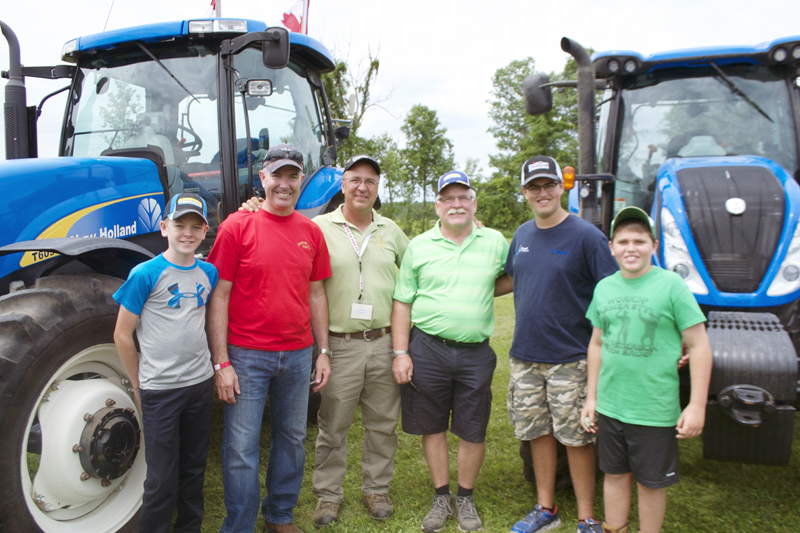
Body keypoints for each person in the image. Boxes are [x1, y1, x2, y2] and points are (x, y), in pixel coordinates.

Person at [240, 154, 410, 527]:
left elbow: (418, 268)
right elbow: (280, 229)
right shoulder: (317, 226)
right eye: (355, 180)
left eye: (370, 181)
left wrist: (461, 227)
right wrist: (253, 208)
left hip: (382, 340)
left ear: (377, 189)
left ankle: (376, 488)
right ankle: (329, 495)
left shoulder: (392, 231)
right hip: (341, 342)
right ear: (343, 184)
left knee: (382, 422)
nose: (362, 187)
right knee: (333, 423)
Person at [207, 144, 332, 533]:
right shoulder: (235, 227)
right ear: (263, 179)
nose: (284, 183)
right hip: (246, 356)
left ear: (301, 181)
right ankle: (240, 525)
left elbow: (316, 294)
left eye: (292, 175)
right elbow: (219, 296)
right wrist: (221, 362)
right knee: (241, 449)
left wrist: (323, 351)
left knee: (292, 439)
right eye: (276, 175)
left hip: (298, 355)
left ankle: (279, 515)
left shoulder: (311, 231)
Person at [499, 156, 618, 533]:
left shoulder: (587, 236)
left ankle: (586, 517)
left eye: (549, 184)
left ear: (562, 187)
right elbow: (509, 280)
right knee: (538, 433)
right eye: (534, 187)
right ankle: (546, 508)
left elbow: (613, 291)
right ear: (524, 193)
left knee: (576, 438)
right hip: (526, 357)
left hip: (571, 357)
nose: (542, 192)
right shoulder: (521, 235)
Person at [392, 170, 510, 533]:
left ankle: (466, 498)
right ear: (438, 206)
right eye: (448, 198)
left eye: (463, 198)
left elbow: (510, 278)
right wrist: (401, 352)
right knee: (433, 425)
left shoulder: (494, 241)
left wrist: (474, 295)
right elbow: (402, 302)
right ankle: (441, 495)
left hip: (476, 353)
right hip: (428, 348)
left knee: (473, 428)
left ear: (474, 204)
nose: (456, 204)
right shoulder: (419, 246)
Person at [580, 207, 712, 533]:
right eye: (623, 241)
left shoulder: (671, 286)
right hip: (611, 407)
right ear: (611, 247)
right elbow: (597, 344)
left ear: (654, 245)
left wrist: (695, 406)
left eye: (639, 241)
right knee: (614, 473)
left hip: (654, 409)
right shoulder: (605, 288)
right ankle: (616, 527)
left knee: (651, 483)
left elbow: (699, 346)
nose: (631, 248)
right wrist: (591, 398)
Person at [113, 193, 218, 533]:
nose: (187, 233)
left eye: (195, 227)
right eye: (179, 225)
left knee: (193, 469)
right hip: (160, 390)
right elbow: (122, 335)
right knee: (160, 477)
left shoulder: (209, 273)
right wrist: (137, 383)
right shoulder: (145, 274)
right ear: (163, 228)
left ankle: (189, 527)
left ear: (205, 231)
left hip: (199, 386)